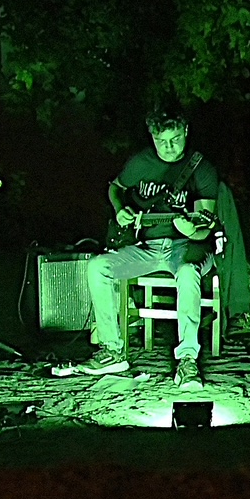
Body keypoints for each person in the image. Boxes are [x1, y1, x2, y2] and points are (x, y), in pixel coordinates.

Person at [72, 113, 220, 387]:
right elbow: (115, 188)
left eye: (175, 139)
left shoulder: (202, 169)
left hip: (186, 248)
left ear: (186, 131)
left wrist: (191, 230)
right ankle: (112, 350)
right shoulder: (140, 162)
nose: (169, 147)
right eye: (161, 141)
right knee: (97, 266)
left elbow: (204, 226)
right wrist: (120, 210)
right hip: (147, 247)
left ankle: (187, 360)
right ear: (152, 137)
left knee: (188, 273)